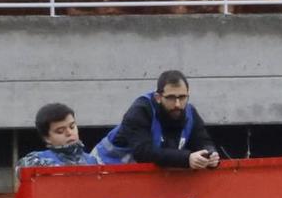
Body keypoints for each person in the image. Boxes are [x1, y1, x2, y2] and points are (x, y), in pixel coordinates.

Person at [91, 70, 222, 170]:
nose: (177, 104)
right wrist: (186, 158)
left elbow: (203, 141)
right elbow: (144, 152)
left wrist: (211, 154)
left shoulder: (190, 113)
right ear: (158, 97)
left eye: (182, 97)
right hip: (100, 170)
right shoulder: (140, 110)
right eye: (171, 98)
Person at [17, 102, 97, 169]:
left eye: (72, 127)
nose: (69, 133)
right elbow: (21, 168)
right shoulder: (37, 160)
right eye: (60, 131)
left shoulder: (92, 161)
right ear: (47, 138)